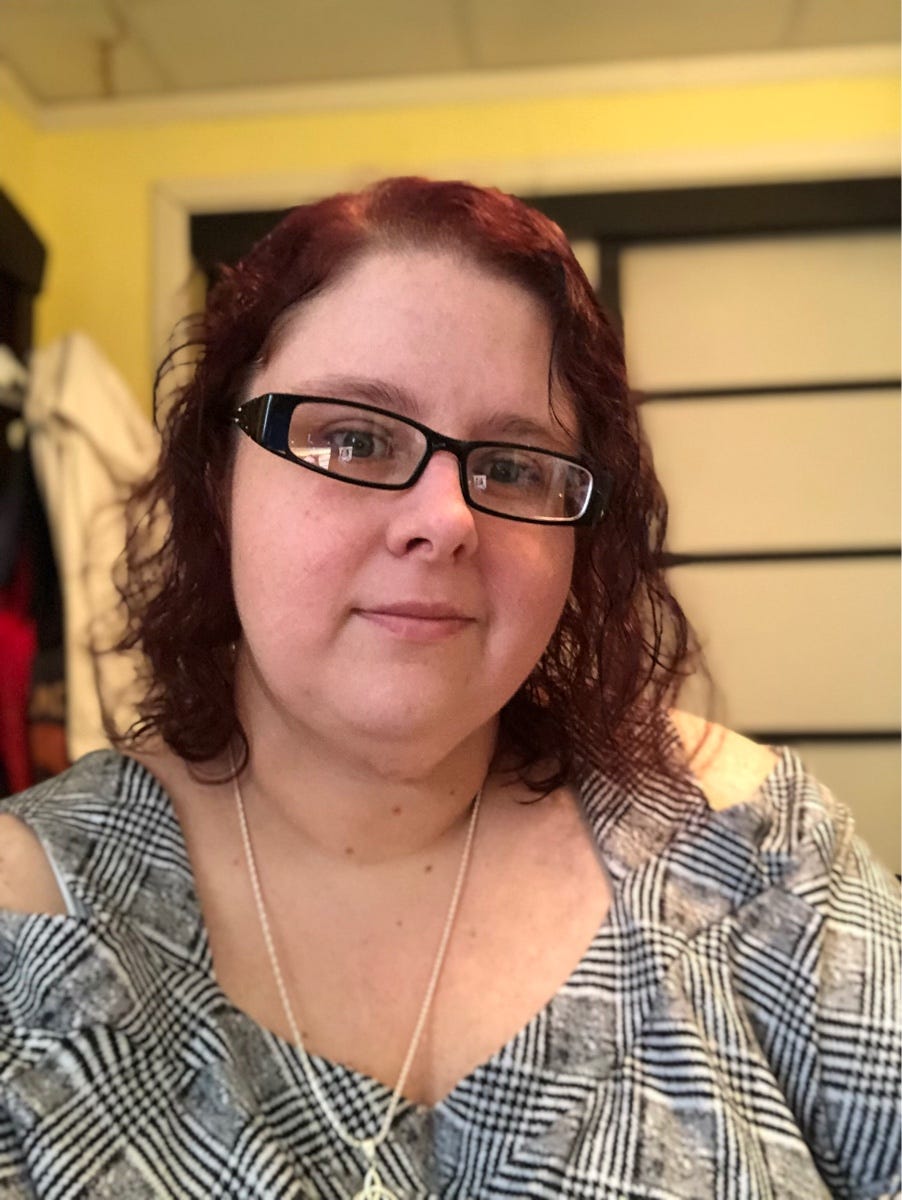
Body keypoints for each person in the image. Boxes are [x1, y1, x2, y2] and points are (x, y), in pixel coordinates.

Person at [0, 177, 897, 1200]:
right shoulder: (31, 922)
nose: (446, 520)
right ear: (220, 479)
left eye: (513, 466)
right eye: (354, 439)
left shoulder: (747, 852)